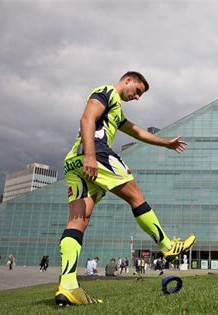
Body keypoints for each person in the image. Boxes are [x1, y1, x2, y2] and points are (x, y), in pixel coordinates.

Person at [54, 71, 196, 306]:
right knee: (136, 196)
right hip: (95, 154)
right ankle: (167, 246)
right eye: (138, 91)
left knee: (78, 221)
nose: (138, 97)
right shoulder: (106, 92)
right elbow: (86, 119)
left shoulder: (116, 112)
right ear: (128, 80)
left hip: (74, 162)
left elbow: (139, 132)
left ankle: (67, 286)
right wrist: (91, 155)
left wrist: (167, 143)